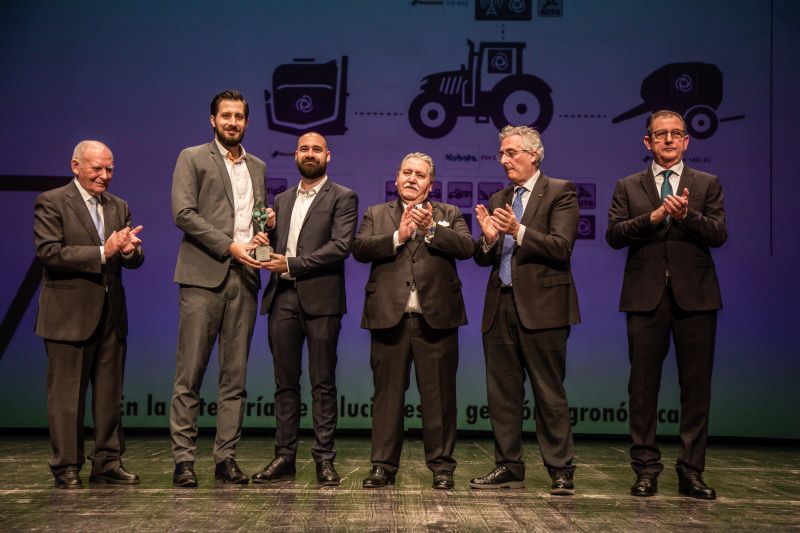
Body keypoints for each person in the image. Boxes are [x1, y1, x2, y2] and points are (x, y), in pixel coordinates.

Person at [606, 109, 727, 499]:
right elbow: (614, 234)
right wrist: (654, 217)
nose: (669, 140)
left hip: (697, 298)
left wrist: (687, 216)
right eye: (660, 134)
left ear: (687, 140)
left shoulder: (706, 183)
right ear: (648, 142)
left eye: (676, 133)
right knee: (643, 388)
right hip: (645, 298)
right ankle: (645, 469)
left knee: (696, 389)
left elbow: (718, 233)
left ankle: (691, 470)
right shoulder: (628, 186)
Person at [352, 153, 473, 490]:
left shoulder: (449, 213)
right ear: (396, 179)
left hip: (437, 320)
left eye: (420, 175)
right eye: (407, 172)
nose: (412, 178)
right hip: (389, 318)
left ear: (430, 185)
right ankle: (382, 466)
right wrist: (398, 236)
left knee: (440, 398)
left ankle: (442, 467)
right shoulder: (376, 213)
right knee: (387, 397)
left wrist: (430, 229)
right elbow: (359, 248)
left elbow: (467, 247)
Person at [471, 125, 580, 495]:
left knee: (548, 392)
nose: (504, 160)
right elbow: (485, 257)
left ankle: (561, 469)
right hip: (500, 304)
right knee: (502, 394)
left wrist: (518, 230)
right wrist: (488, 240)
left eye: (511, 152)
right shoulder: (500, 197)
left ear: (534, 154)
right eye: (501, 153)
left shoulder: (560, 192)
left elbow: (560, 247)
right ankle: (509, 465)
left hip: (543, 308)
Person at [169, 90, 269, 487]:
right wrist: (229, 245)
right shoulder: (192, 157)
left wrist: (264, 228)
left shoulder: (257, 166)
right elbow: (183, 213)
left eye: (239, 116)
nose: (232, 122)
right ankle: (184, 460)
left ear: (247, 122)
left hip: (245, 279)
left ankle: (225, 458)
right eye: (226, 115)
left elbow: (252, 219)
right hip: (203, 277)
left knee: (235, 378)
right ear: (213, 120)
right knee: (190, 374)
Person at [34, 140, 144, 488]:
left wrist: (130, 251)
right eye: (97, 168)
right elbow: (49, 252)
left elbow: (131, 259)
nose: (104, 175)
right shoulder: (52, 201)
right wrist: (102, 251)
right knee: (67, 397)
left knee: (110, 396)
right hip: (68, 316)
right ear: (76, 166)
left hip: (111, 315)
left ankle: (107, 462)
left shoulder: (119, 206)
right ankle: (67, 465)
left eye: (109, 169)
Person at [252, 131, 357, 486]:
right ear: (295, 155)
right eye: (304, 149)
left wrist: (292, 264)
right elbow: (275, 248)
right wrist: (264, 239)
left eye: (316, 149)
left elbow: (340, 247)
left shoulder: (343, 197)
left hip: (322, 301)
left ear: (328, 156)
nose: (310, 154)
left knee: (322, 383)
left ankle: (324, 459)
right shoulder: (281, 200)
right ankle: (284, 457)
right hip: (282, 297)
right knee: (285, 383)